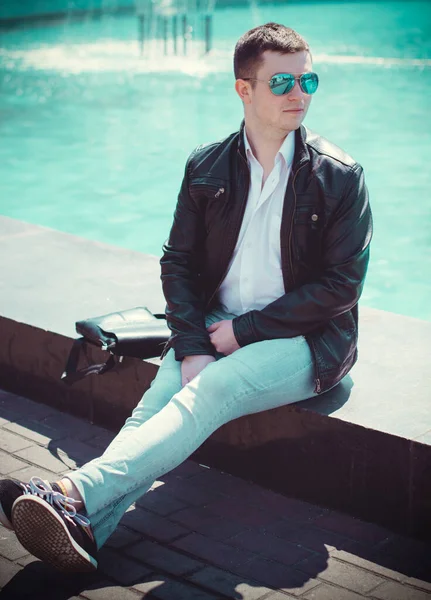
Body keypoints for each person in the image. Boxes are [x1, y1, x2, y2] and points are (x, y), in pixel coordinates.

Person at [0, 22, 372, 572]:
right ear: (244, 89)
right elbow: (177, 262)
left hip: (307, 341)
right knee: (149, 414)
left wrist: (241, 333)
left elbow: (342, 286)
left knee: (212, 388)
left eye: (309, 80)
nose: (300, 93)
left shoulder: (339, 177)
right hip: (214, 325)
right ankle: (85, 529)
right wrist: (194, 342)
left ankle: (71, 492)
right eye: (283, 82)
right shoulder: (206, 166)